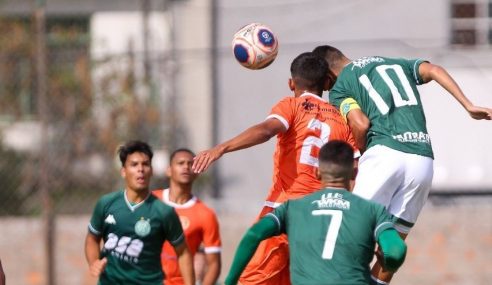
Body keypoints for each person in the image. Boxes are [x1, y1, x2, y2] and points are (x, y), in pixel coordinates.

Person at [312, 45, 492, 284]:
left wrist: (365, 154)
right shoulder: (397, 62)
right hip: (423, 160)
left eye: (325, 85)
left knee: (347, 236)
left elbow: (360, 123)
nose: (327, 90)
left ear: (327, 75)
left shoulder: (341, 85)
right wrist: (468, 105)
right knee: (392, 251)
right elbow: (434, 69)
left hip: (383, 156)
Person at [193, 52, 360, 285]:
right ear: (326, 83)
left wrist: (221, 148)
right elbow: (354, 171)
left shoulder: (291, 105)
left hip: (283, 210)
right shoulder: (342, 121)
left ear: (291, 83)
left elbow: (266, 130)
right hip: (322, 215)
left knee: (252, 280)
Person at [224, 140, 407, 285]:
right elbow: (396, 251)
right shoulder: (372, 210)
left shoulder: (292, 208)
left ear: (318, 172)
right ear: (354, 172)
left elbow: (253, 234)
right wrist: (390, 263)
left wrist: (230, 281)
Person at [84, 140, 195, 285]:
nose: (140, 169)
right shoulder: (106, 204)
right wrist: (94, 262)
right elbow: (92, 239)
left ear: (152, 170)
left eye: (145, 164)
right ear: (123, 171)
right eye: (134, 164)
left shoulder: (164, 212)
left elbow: (183, 252)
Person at [153, 148, 221, 285]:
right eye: (180, 163)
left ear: (197, 172)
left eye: (190, 164)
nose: (186, 167)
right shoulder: (151, 201)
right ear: (169, 170)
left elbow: (214, 264)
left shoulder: (205, 214)